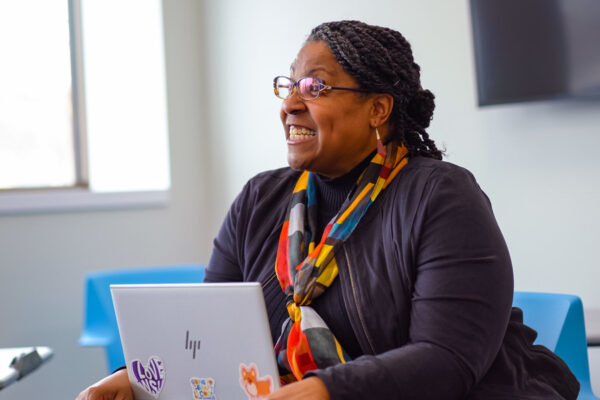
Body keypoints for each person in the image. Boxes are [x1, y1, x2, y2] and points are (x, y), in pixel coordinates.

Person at [77, 20, 580, 400]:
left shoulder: (441, 197)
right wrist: (136, 377)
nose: (291, 104)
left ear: (378, 109)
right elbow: (211, 334)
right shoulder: (260, 200)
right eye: (289, 86)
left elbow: (446, 360)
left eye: (315, 87)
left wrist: (323, 391)